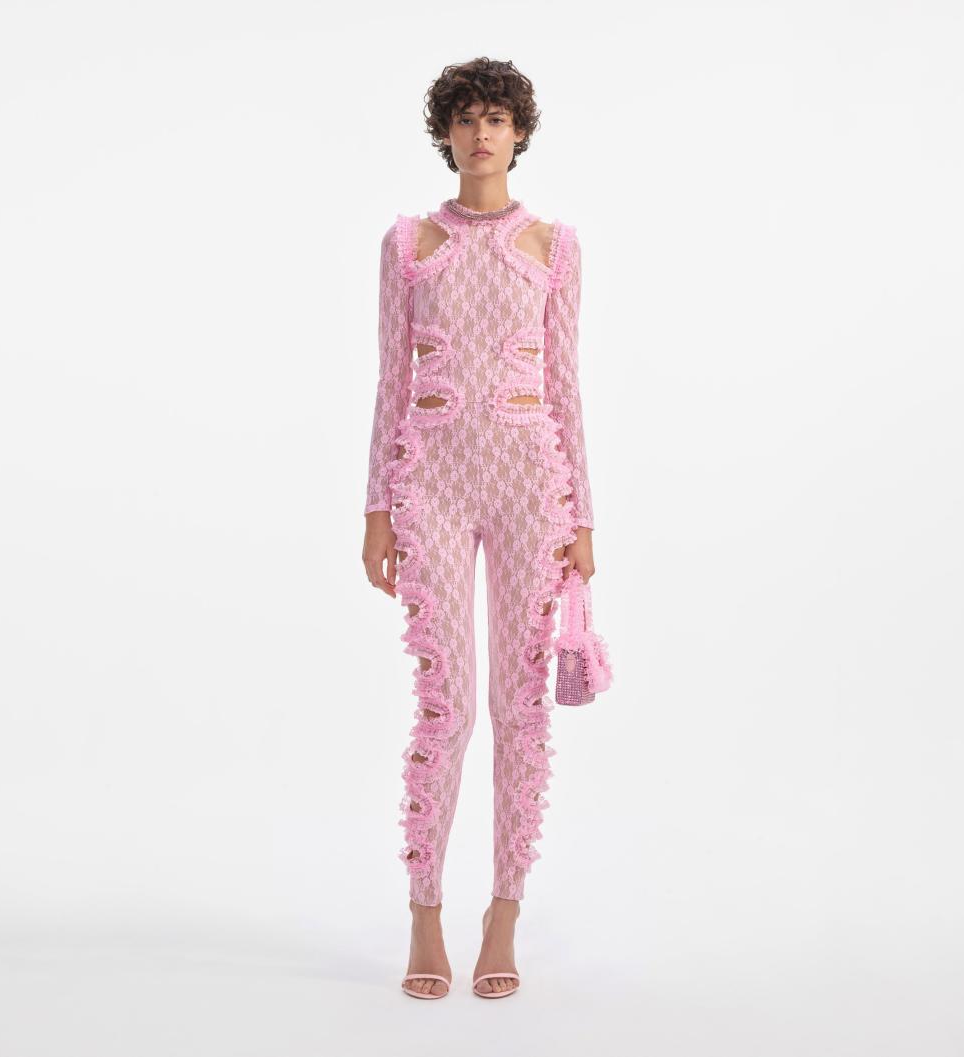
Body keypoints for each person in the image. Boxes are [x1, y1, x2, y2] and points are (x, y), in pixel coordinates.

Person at [361, 57, 597, 1000]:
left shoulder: (553, 244)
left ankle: (504, 908)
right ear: (446, 135)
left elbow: (564, 383)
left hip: (532, 489)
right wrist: (376, 507)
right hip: (433, 487)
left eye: (496, 118)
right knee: (449, 704)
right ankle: (425, 911)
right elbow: (390, 377)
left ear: (519, 132)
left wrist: (584, 516)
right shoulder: (409, 242)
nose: (481, 133)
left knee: (516, 703)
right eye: (465, 119)